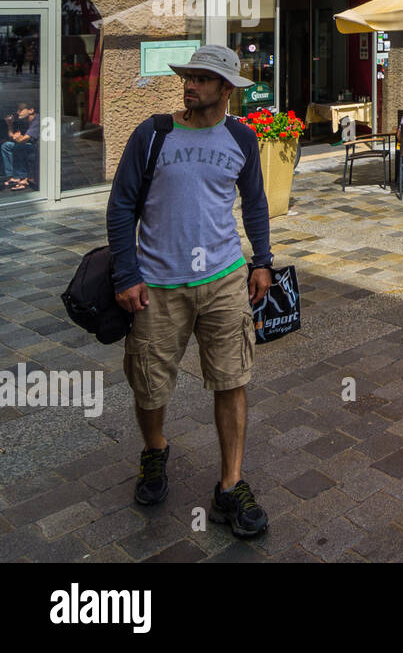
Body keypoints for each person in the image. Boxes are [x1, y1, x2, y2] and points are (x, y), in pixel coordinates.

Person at [107, 45, 273, 538]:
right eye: (189, 76)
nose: (190, 84)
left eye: (202, 78)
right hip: (158, 285)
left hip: (224, 279)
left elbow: (256, 204)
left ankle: (231, 484)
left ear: (226, 89)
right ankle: (155, 450)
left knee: (231, 378)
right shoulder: (153, 134)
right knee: (150, 382)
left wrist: (261, 260)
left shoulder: (241, 138)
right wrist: (126, 274)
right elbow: (121, 208)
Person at [2, 101, 38, 190]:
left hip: (40, 148)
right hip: (30, 145)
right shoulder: (25, 121)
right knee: (6, 145)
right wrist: (10, 125)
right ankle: (12, 176)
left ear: (31, 110)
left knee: (19, 147)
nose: (18, 112)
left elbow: (21, 140)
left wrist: (18, 138)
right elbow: (12, 137)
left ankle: (21, 177)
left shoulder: (37, 120)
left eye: (20, 110)